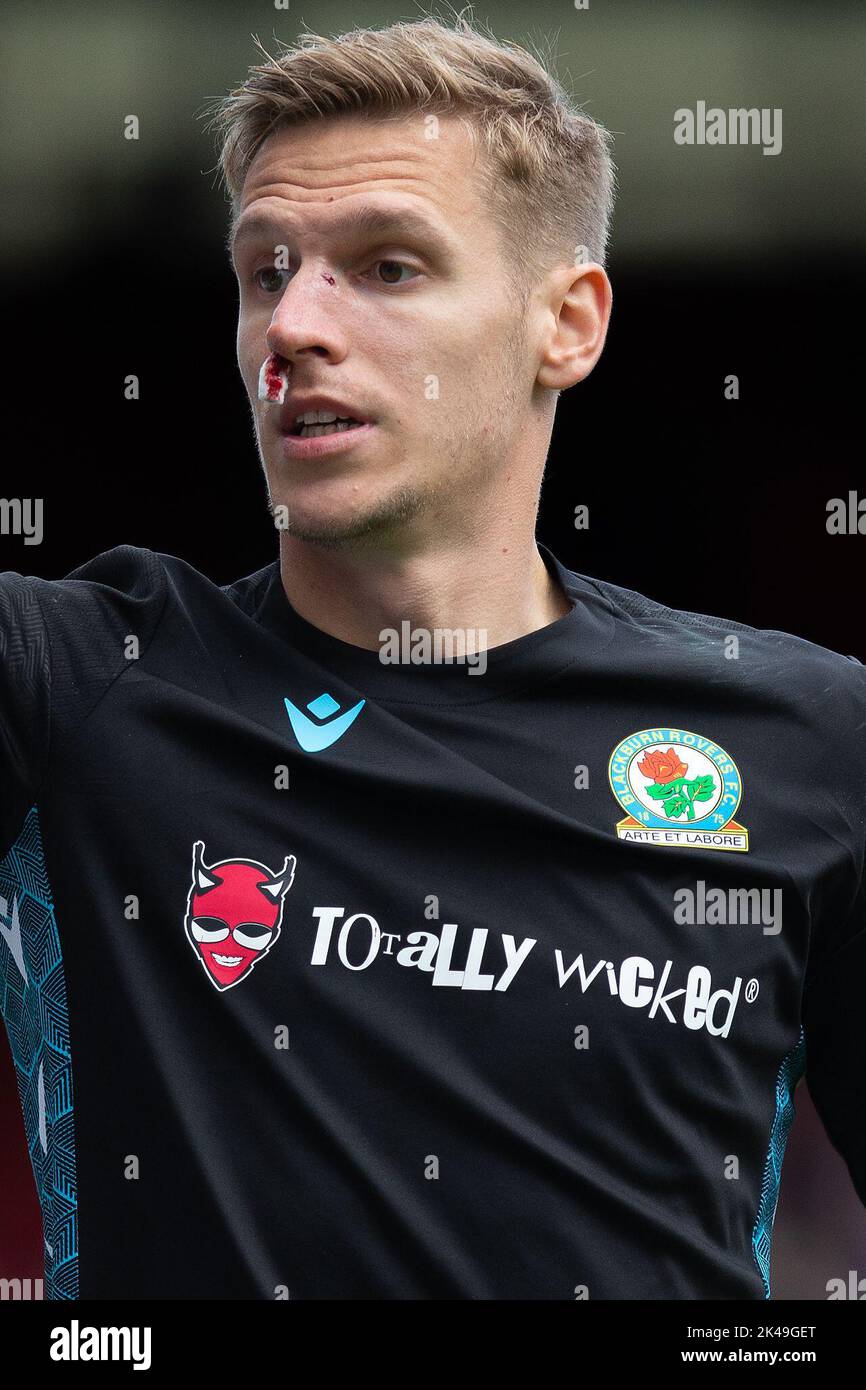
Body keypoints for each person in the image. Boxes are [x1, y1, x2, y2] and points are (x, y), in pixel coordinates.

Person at [1, 14, 863, 1301]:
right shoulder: (76, 686)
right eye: (263, 270)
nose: (291, 323)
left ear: (564, 324)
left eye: (386, 267)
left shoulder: (805, 732)